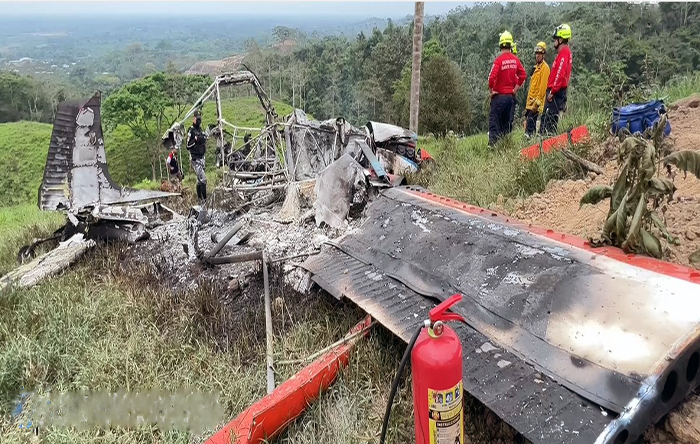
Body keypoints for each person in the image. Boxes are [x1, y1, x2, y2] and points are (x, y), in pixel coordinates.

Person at [488, 31, 527, 148]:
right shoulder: (515, 60)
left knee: (495, 121)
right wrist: (514, 89)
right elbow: (523, 75)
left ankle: (493, 146)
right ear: (511, 45)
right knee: (506, 123)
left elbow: (491, 78)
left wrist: (491, 91)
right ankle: (506, 145)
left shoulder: (498, 60)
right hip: (510, 98)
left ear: (500, 45)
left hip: (498, 97)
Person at [540, 24, 572, 136]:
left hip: (556, 93)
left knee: (548, 121)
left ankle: (546, 143)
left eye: (555, 39)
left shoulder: (564, 53)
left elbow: (560, 74)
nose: (554, 42)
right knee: (547, 120)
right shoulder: (563, 53)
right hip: (555, 91)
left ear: (561, 39)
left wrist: (552, 91)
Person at [524, 42, 551, 138]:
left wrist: (537, 102)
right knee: (529, 124)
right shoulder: (535, 68)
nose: (538, 56)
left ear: (544, 54)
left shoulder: (545, 68)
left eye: (540, 53)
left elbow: (543, 87)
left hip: (537, 103)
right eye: (537, 53)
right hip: (531, 101)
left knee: (530, 126)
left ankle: (530, 140)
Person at [187, 110, 208, 203]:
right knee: (203, 179)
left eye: (200, 118)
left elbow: (205, 139)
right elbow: (188, 145)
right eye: (197, 118)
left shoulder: (201, 130)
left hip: (202, 157)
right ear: (193, 119)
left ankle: (199, 200)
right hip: (195, 158)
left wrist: (201, 139)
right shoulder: (191, 131)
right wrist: (195, 141)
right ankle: (205, 201)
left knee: (199, 180)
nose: (199, 120)